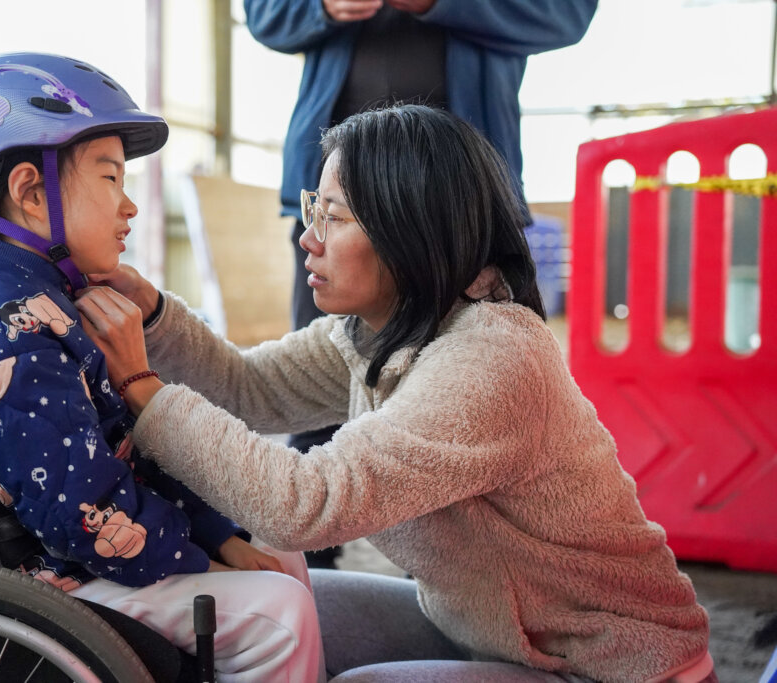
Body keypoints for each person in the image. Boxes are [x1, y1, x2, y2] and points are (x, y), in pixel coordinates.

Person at [77, 105, 715, 682]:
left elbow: (305, 504)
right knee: (274, 607)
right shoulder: (377, 331)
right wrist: (155, 315)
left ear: (410, 227)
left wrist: (140, 386)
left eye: (334, 216)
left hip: (611, 667)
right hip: (488, 636)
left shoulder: (493, 357)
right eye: (312, 208)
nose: (309, 237)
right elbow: (250, 389)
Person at [0, 51, 324, 683]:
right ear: (32, 195)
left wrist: (221, 536)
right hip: (28, 573)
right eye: (111, 179)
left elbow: (120, 454)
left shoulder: (39, 299)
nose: (130, 207)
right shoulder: (4, 334)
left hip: (61, 546)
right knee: (277, 617)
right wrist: (208, 561)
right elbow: (83, 511)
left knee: (281, 550)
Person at [245, 3, 597, 568]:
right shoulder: (326, 228)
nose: (313, 242)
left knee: (455, 381)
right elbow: (266, 14)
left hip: (456, 203)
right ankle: (315, 569)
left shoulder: (498, 344)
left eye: (328, 222)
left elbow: (565, 14)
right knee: (320, 378)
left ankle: (452, 573)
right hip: (336, 180)